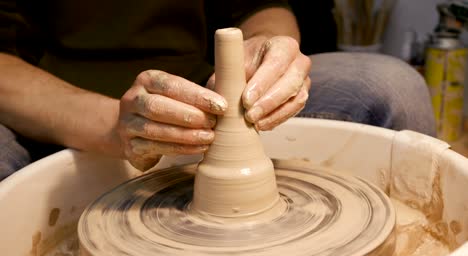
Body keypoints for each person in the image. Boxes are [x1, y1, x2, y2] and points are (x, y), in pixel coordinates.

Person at [0, 0, 435, 180]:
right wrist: (112, 125)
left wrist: (267, 51)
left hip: (204, 99)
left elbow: (261, 7)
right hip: (55, 110)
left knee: (392, 87)